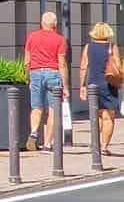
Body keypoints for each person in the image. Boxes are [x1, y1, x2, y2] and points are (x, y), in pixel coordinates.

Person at [24, 11, 70, 151]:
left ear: (41, 23)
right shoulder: (60, 39)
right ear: (55, 24)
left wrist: (28, 77)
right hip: (53, 73)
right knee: (53, 109)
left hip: (36, 72)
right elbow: (62, 63)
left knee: (36, 107)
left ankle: (33, 132)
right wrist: (66, 86)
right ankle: (48, 144)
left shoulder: (32, 37)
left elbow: (27, 61)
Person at [81, 21, 121, 156]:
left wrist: (82, 85)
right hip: (108, 84)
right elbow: (116, 66)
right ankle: (103, 146)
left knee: (96, 115)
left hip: (93, 85)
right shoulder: (112, 46)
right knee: (108, 116)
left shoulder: (88, 47)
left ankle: (95, 145)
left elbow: (83, 66)